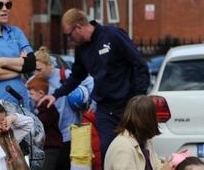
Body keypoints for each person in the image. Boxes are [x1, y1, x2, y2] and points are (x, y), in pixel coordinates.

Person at [38, 8, 149, 161]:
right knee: (108, 153)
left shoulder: (112, 35)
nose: (70, 40)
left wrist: (138, 99)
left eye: (69, 35)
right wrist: (56, 94)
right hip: (105, 109)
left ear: (79, 27)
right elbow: (77, 76)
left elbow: (139, 64)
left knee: (135, 150)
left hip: (127, 105)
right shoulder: (81, 49)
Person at [27, 75, 66, 170]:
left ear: (41, 93)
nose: (30, 96)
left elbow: (39, 125)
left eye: (31, 93)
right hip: (47, 146)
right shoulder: (41, 107)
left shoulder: (47, 107)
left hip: (51, 147)